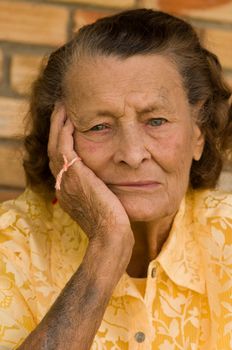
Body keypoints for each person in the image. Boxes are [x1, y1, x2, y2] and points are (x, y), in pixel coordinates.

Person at [0, 8, 232, 350]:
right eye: (99, 126)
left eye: (156, 121)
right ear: (60, 140)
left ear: (198, 133)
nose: (132, 153)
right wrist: (107, 247)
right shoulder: (11, 247)